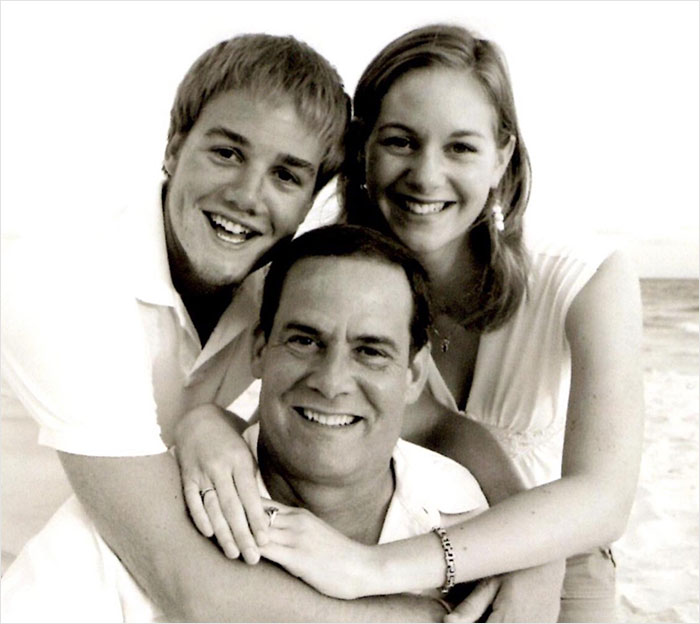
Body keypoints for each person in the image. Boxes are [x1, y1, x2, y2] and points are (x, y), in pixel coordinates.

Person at [175, 23, 644, 623]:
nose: (426, 175)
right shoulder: (325, 276)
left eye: (460, 148)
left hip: (546, 549)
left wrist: (380, 570)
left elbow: (604, 498)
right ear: (362, 150)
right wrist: (205, 423)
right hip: (374, 535)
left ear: (502, 156)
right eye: (400, 141)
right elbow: (298, 397)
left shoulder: (583, 279)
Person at [0, 33, 456, 622]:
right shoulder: (64, 280)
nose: (246, 196)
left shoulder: (275, 294)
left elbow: (438, 426)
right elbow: (187, 586)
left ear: (310, 201)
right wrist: (427, 617)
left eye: (286, 175)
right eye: (227, 153)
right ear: (173, 147)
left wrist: (535, 563)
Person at [2, 225, 496, 622]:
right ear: (260, 350)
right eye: (305, 341)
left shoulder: (460, 508)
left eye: (370, 351)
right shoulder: (139, 523)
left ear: (413, 375)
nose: (332, 383)